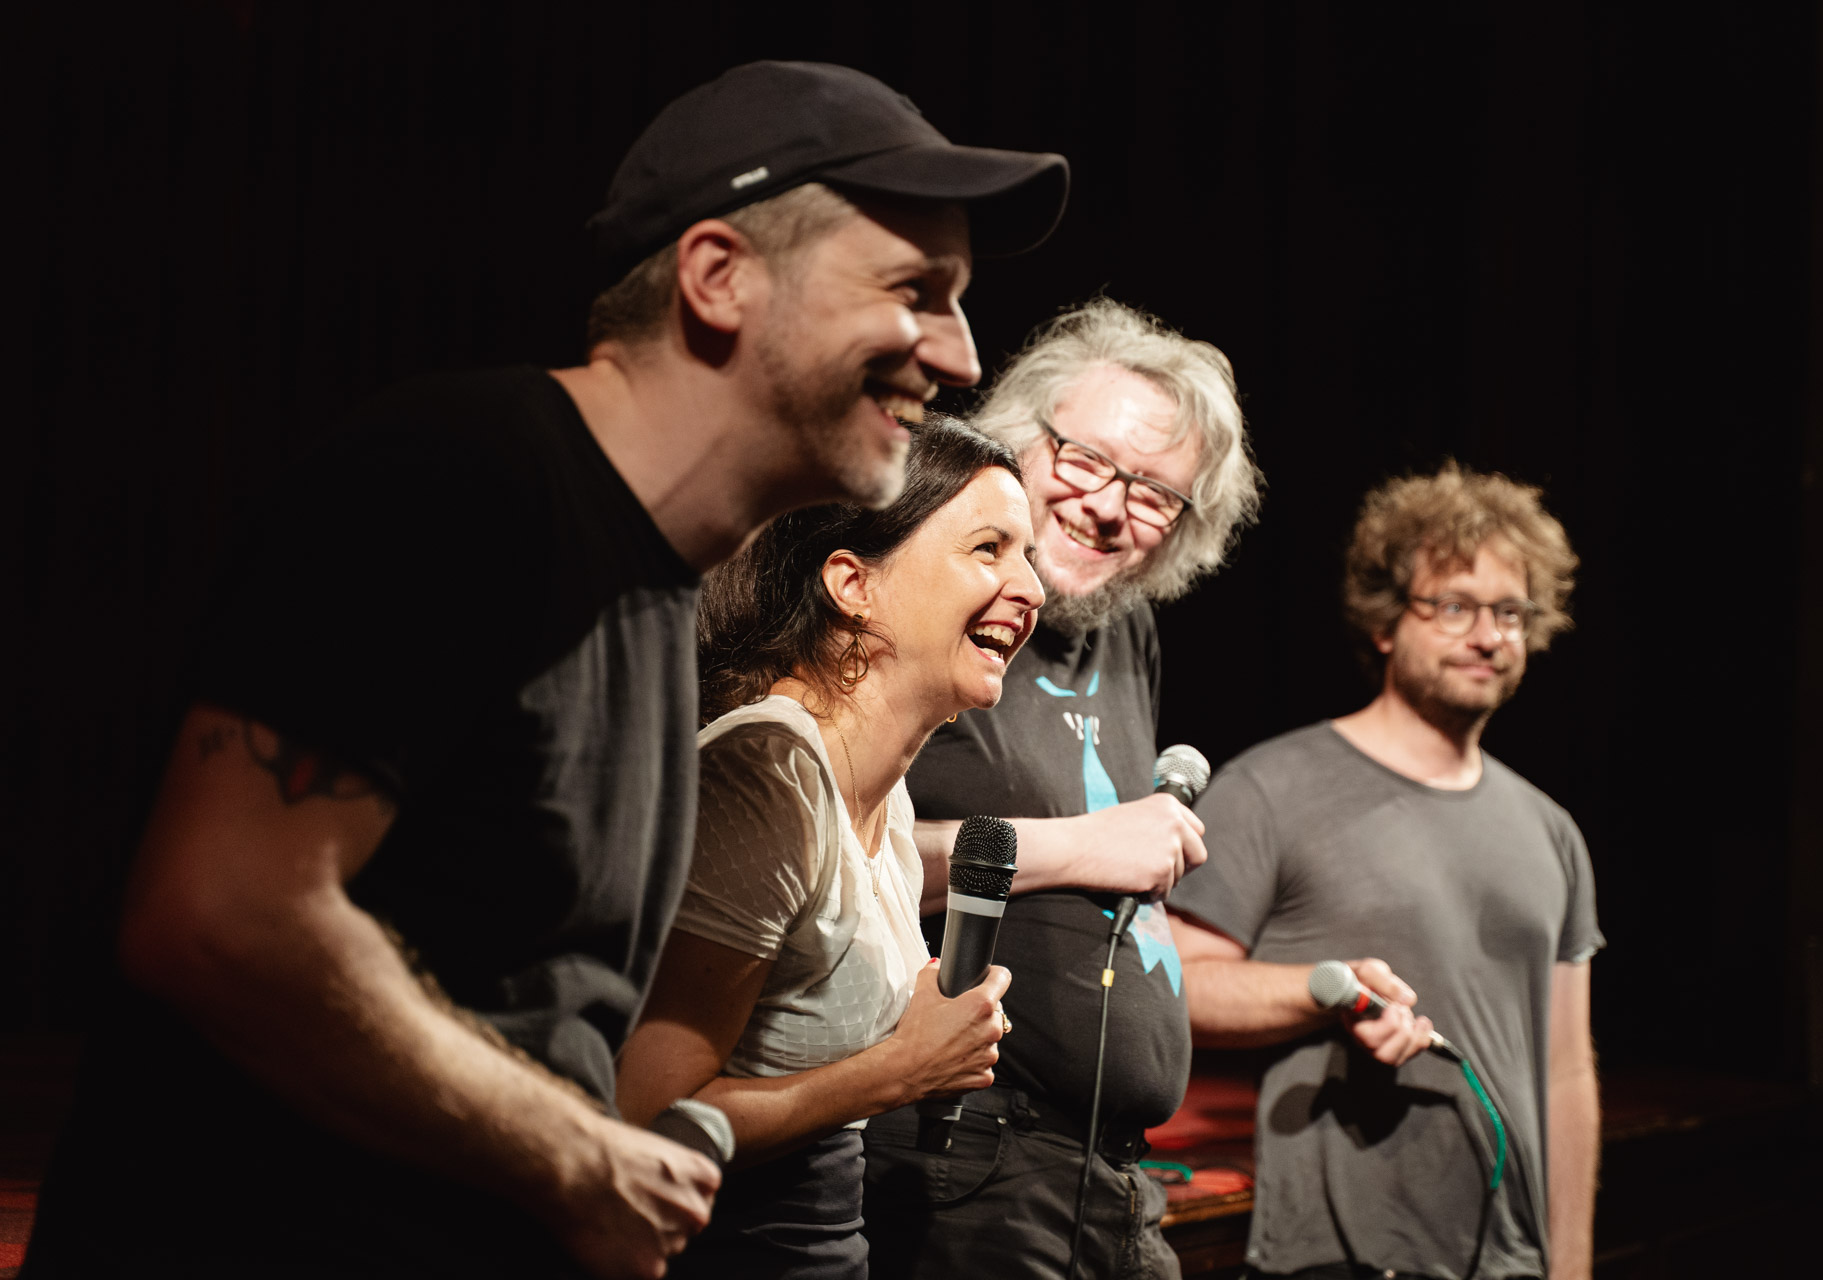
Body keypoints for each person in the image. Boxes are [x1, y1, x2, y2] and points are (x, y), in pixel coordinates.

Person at [23, 62, 1066, 1280]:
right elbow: (221, 914)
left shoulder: (653, 585)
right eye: (914, 291)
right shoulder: (462, 477)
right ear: (718, 277)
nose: (959, 352)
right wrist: (577, 1154)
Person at [862, 298, 1263, 1279]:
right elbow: (832, 856)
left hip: (1116, 1173)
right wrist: (1085, 846)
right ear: (1016, 439)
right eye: (1085, 460)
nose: (1111, 506)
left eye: (1156, 494)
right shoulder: (926, 592)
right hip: (963, 1154)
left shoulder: (1127, 631)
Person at [617, 416, 1042, 1278]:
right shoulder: (766, 777)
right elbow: (645, 1116)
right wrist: (903, 1068)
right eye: (989, 549)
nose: (1031, 587)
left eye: (1028, 556)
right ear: (853, 583)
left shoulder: (886, 794)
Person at [1168, 461, 1603, 1280]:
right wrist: (1328, 994)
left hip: (1509, 1254)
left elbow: (1568, 1072)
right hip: (1339, 1256)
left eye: (1509, 612)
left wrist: (1571, 1263)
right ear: (1385, 622)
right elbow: (1175, 985)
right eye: (1455, 607)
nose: (1488, 636)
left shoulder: (1553, 831)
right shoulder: (1271, 788)